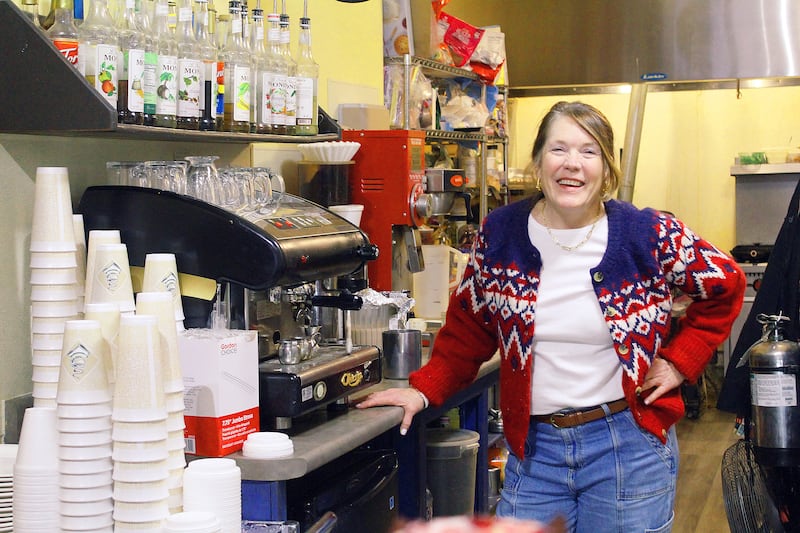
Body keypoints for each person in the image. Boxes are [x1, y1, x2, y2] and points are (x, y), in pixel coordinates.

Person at [357, 101, 746, 532]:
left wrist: (678, 361)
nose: (572, 165)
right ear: (539, 162)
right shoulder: (500, 234)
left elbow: (725, 284)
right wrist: (422, 391)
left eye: (588, 151)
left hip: (627, 445)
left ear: (608, 167)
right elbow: (469, 330)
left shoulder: (647, 234)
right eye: (559, 149)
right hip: (535, 451)